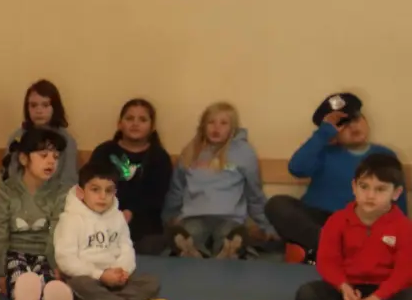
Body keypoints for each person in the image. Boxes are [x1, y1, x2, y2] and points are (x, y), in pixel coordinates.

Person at [267, 92, 403, 259]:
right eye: (343, 125)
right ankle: (333, 250)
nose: (353, 127)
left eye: (356, 120)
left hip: (357, 223)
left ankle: (320, 252)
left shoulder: (384, 155)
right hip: (318, 221)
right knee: (276, 204)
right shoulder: (323, 151)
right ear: (333, 133)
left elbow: (397, 202)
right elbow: (296, 168)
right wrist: (323, 135)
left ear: (365, 121)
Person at [296, 153, 412, 300]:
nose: (370, 195)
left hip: (386, 293)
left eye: (380, 189)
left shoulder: (404, 227)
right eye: (364, 187)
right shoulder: (337, 221)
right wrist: (343, 287)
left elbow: (405, 272)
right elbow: (327, 261)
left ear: (396, 193)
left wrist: (375, 299)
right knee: (306, 294)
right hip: (350, 290)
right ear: (354, 187)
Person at [54, 159, 176, 300]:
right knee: (78, 284)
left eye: (109, 191)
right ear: (80, 193)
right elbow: (66, 260)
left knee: (151, 282)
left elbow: (126, 246)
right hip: (88, 278)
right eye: (95, 190)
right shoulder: (70, 220)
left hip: (114, 279)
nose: (103, 196)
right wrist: (100, 275)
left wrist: (121, 272)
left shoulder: (117, 217)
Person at [164, 102, 274, 259]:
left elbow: (254, 194)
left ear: (232, 127)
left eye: (223, 123)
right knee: (191, 233)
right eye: (211, 122)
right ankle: (192, 251)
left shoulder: (244, 153)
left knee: (227, 234)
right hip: (194, 216)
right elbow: (176, 189)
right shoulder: (190, 151)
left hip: (229, 217)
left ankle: (227, 251)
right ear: (203, 125)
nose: (216, 128)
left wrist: (267, 227)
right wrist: (169, 218)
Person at [0, 128, 74, 300]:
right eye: (43, 155)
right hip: (14, 252)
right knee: (19, 277)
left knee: (47, 279)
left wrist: (56, 265)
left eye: (55, 157)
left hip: (44, 254)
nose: (51, 162)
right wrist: (0, 271)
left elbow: (57, 231)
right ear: (24, 158)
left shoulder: (60, 192)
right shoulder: (6, 190)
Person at [89, 98, 173, 257]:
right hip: (104, 216)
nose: (135, 123)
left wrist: (131, 212)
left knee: (149, 245)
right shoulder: (104, 152)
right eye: (129, 118)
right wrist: (112, 212)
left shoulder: (159, 157)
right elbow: (90, 186)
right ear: (119, 123)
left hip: (145, 226)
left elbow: (157, 197)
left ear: (152, 127)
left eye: (142, 119)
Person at [1, 79, 79, 188]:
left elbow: (69, 180)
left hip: (55, 198)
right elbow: (9, 174)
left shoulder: (67, 140)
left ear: (55, 108)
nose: (39, 110)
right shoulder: (17, 137)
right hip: (20, 196)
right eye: (33, 105)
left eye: (45, 105)